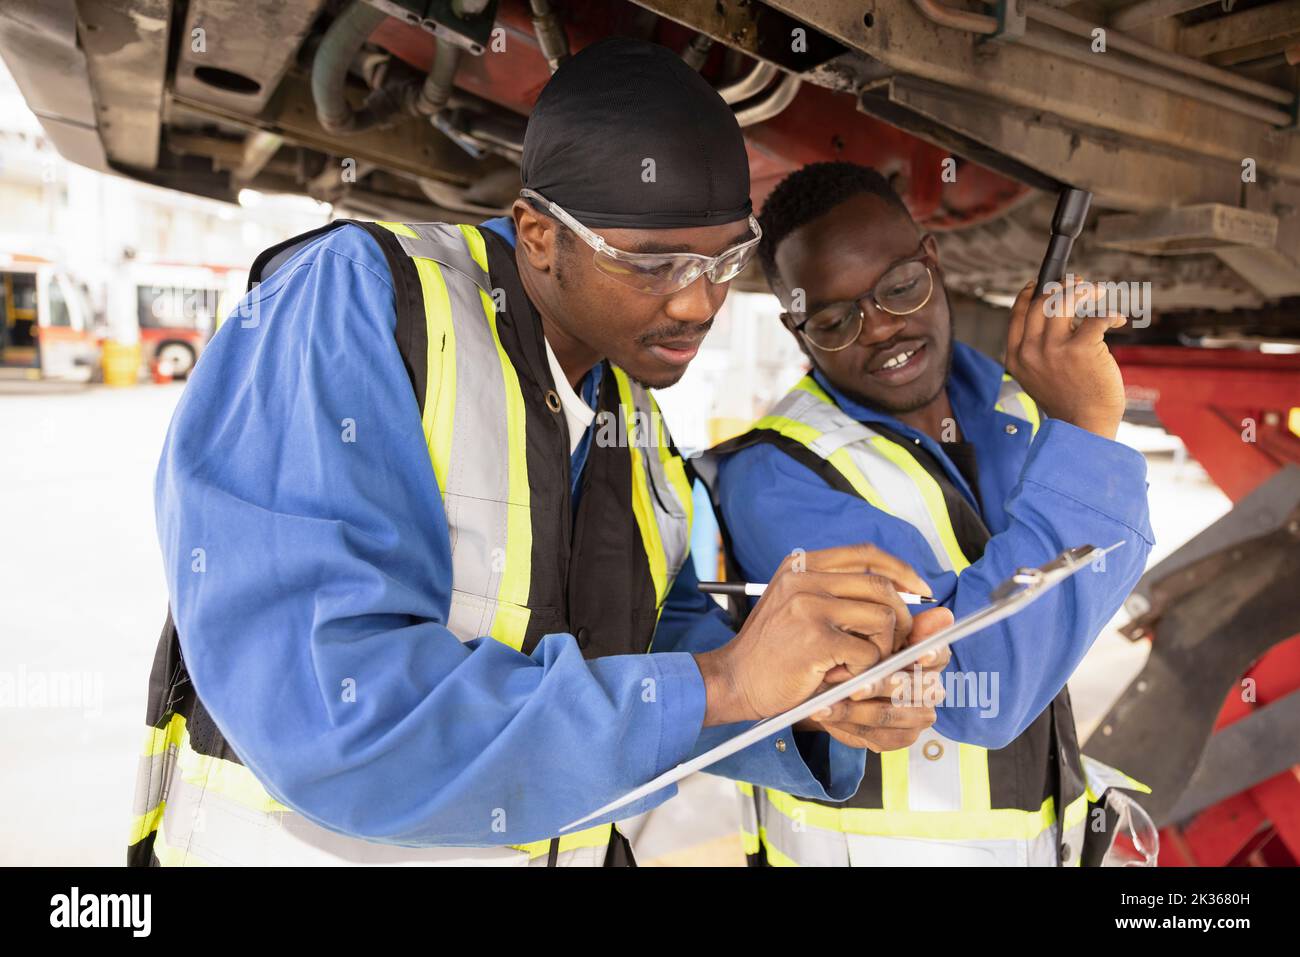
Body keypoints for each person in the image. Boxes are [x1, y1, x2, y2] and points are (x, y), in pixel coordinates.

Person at [127, 42, 951, 867]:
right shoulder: (358, 304)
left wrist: (807, 694)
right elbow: (338, 715)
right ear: (539, 235)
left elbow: (651, 649)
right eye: (655, 262)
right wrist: (729, 681)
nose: (701, 299)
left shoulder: (629, 409)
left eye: (727, 259)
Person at [712, 162, 1156, 866]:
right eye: (834, 318)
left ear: (932, 259)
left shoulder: (1013, 404)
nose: (884, 327)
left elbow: (1086, 584)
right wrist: (1087, 432)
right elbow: (985, 680)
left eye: (899, 287)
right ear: (797, 329)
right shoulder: (776, 478)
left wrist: (1070, 429)